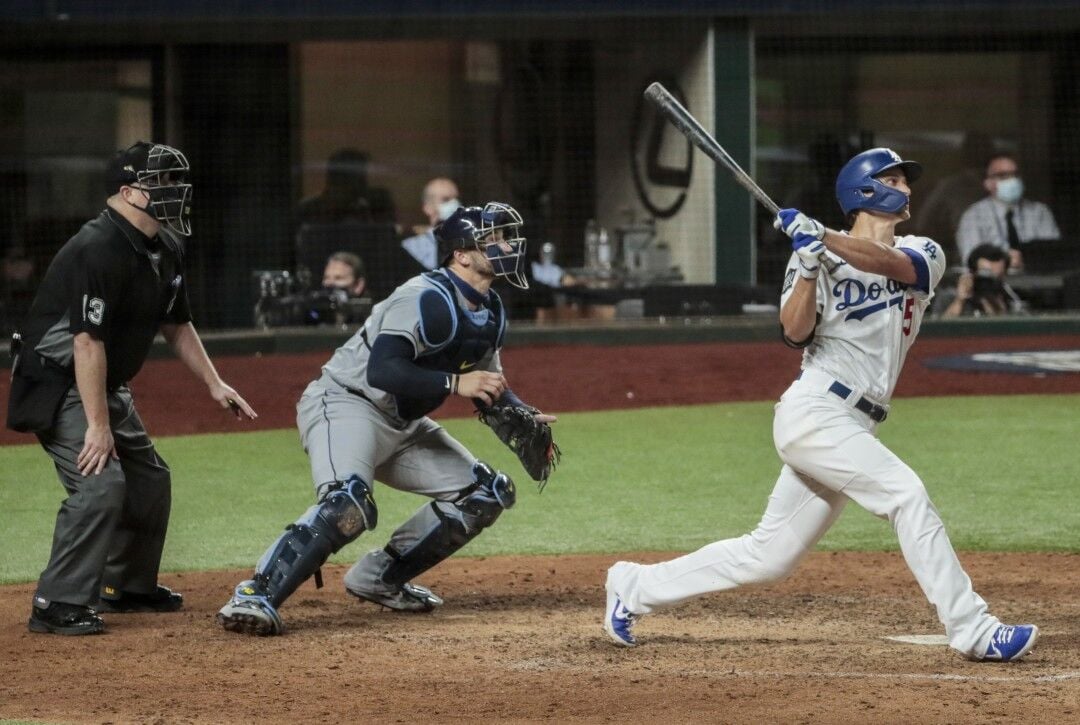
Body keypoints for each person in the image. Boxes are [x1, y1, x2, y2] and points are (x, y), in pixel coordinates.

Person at [602, 148, 1039, 663]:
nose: (907, 190)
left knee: (769, 555)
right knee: (906, 494)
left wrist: (825, 239)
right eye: (895, 180)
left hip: (858, 420)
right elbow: (794, 331)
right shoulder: (813, 252)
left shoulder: (923, 249)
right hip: (814, 411)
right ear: (865, 189)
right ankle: (972, 629)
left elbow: (892, 264)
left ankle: (633, 586)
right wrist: (809, 266)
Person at [218, 201, 555, 636]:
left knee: (485, 493)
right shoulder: (423, 297)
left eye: (507, 238)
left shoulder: (490, 311)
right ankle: (255, 593)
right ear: (462, 254)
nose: (508, 246)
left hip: (403, 424)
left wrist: (518, 410)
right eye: (495, 239)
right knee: (348, 503)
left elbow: (489, 384)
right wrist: (455, 384)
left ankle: (380, 578)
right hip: (346, 403)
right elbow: (384, 370)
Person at [6, 141, 257, 636]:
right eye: (161, 182)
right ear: (127, 192)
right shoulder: (96, 248)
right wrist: (98, 426)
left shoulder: (165, 244)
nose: (175, 191)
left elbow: (177, 325)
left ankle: (126, 586)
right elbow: (86, 342)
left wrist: (214, 383)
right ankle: (55, 604)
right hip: (58, 382)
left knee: (149, 481)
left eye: (175, 180)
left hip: (103, 381)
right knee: (100, 484)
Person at [955, 153, 1060, 270]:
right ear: (988, 183)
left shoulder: (1039, 212)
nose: (1012, 180)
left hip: (1038, 282)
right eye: (1003, 176)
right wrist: (1006, 261)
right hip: (992, 285)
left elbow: (1054, 255)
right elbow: (972, 258)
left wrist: (1026, 260)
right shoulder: (973, 216)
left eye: (1015, 175)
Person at [914, 131, 995, 261]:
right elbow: (923, 223)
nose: (980, 153)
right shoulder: (951, 186)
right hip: (966, 257)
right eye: (975, 149)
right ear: (965, 153)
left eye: (984, 148)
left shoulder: (1002, 182)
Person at [296, 148, 397, 227]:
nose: (361, 183)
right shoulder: (310, 208)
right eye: (358, 177)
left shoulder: (374, 204)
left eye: (362, 177)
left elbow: (387, 237)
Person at [938, 243, 1023, 318]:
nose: (989, 282)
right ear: (972, 272)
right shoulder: (950, 295)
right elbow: (940, 330)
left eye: (996, 277)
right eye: (985, 275)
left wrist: (1000, 309)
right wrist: (960, 301)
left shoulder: (1007, 296)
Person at [400, 177, 461, 271]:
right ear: (427, 208)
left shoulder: (467, 243)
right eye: (445, 200)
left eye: (456, 199)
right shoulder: (410, 247)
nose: (454, 204)